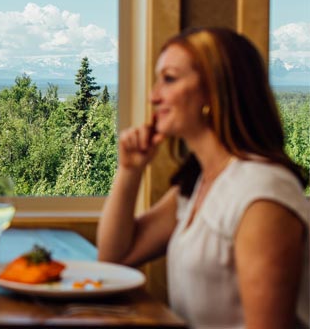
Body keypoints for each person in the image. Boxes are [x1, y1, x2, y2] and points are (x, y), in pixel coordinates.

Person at [97, 27, 309, 328]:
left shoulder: (262, 194)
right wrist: (130, 171)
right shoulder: (200, 184)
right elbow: (114, 257)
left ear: (213, 90)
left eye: (169, 79)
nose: (153, 96)